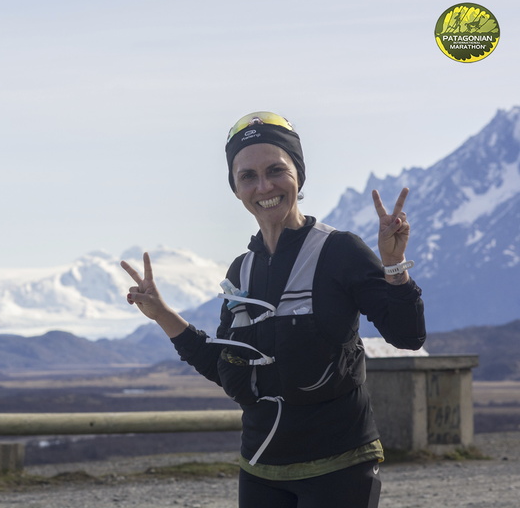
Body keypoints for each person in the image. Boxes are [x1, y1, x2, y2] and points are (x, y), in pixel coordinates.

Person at [121, 111, 426, 508]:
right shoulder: (241, 271)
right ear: (235, 189)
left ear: (299, 174)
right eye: (248, 176)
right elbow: (226, 367)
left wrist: (394, 266)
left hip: (340, 465)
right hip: (261, 469)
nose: (264, 186)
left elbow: (408, 336)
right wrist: (162, 313)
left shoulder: (340, 251)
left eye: (276, 170)